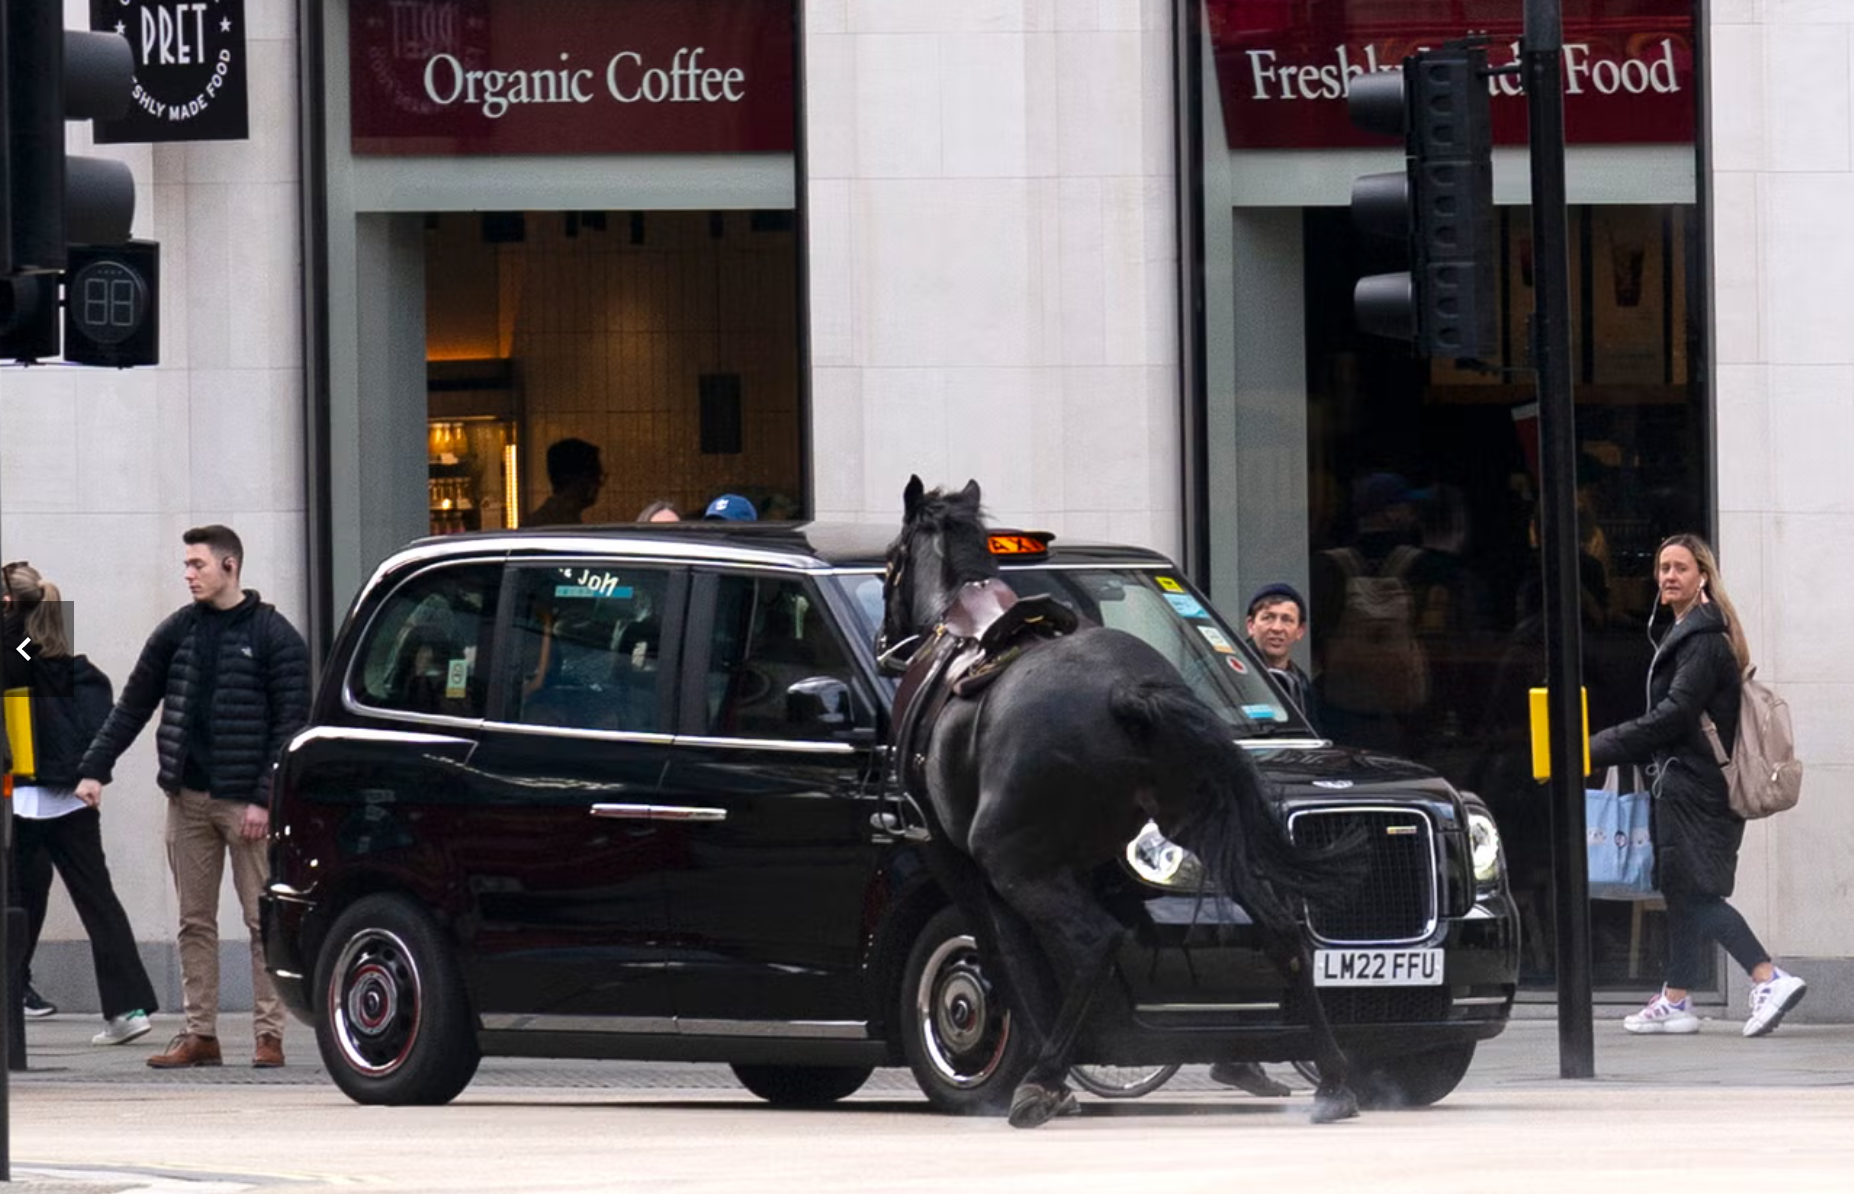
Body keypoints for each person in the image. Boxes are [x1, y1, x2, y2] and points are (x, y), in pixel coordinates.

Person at [75, 526, 311, 1069]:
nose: (188, 574)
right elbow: (133, 704)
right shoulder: (177, 631)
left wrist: (264, 799)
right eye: (185, 565)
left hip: (246, 804)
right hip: (187, 798)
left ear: (230, 566)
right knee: (194, 921)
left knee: (260, 922)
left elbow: (290, 725)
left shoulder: (275, 636)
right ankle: (199, 1033)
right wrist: (95, 768)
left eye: (197, 565)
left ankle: (268, 1035)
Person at [1589, 533, 1807, 1037]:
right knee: (1682, 890)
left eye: (1680, 568)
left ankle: (1768, 976)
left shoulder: (1704, 643)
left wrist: (1593, 748)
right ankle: (1676, 998)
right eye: (1663, 567)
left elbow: (1672, 717)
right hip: (1684, 785)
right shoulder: (1691, 634)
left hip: (1697, 789)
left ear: (1702, 577)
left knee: (1698, 894)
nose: (1668, 576)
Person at [1, 572, 161, 1046]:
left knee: (19, 902)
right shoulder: (79, 672)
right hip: (72, 800)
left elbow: (23, 656)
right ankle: (127, 1008)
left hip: (25, 799)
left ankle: (14, 998)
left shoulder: (21, 661)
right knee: (96, 901)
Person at [3, 560, 63, 1020]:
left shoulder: (24, 641)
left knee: (28, 880)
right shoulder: (23, 642)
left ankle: (18, 980)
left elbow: (30, 673)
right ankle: (17, 981)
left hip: (27, 771)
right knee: (28, 882)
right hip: (22, 772)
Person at [1244, 582, 1321, 735]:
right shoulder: (1223, 671)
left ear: (1300, 631)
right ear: (1250, 625)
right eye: (1268, 618)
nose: (1277, 628)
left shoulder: (1302, 684)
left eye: (1287, 620)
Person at [526, 438, 605, 527]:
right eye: (597, 477)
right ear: (579, 479)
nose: (600, 484)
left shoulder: (546, 520)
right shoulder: (562, 527)